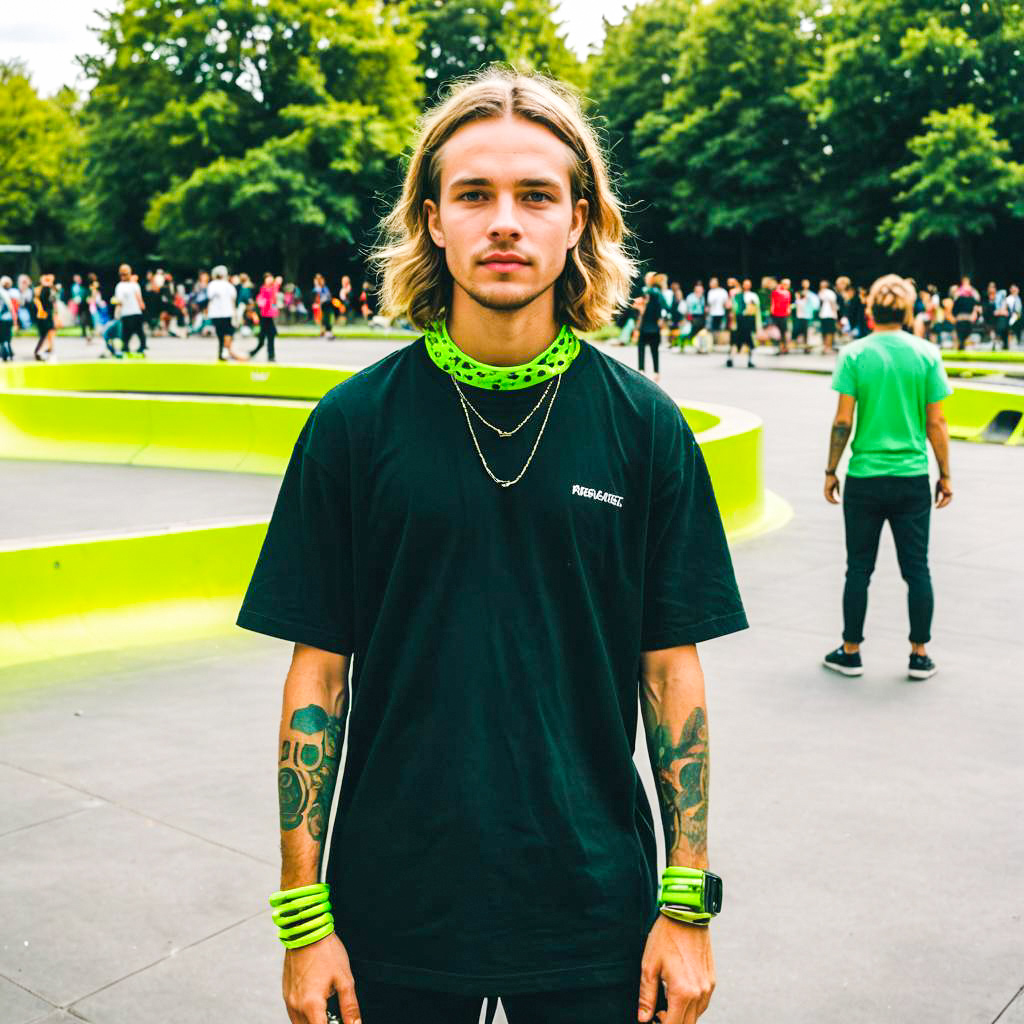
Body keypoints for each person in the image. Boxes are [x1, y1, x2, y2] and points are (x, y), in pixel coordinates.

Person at [235, 66, 746, 1024]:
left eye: (535, 195)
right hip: (396, 912)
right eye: (474, 195)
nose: (504, 221)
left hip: (596, 914)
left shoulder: (646, 428)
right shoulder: (352, 427)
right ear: (433, 219)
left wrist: (687, 905)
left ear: (579, 219)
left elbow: (670, 675)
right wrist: (305, 922)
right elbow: (319, 678)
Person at [822, 274, 953, 682]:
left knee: (858, 568)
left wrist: (831, 469)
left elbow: (844, 420)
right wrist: (945, 474)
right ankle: (919, 654)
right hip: (912, 476)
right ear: (909, 311)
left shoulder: (855, 354)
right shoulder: (926, 354)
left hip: (864, 477)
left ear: (869, 310)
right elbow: (937, 422)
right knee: (917, 569)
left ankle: (850, 651)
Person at [208, 264, 246, 361]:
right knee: (228, 333)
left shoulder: (212, 285)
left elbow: (210, 298)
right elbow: (233, 299)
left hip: (215, 314)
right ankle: (226, 350)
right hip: (227, 313)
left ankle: (222, 352)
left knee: (220, 334)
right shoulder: (228, 286)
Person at [636, 270, 666, 381]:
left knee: (642, 348)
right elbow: (664, 308)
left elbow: (639, 309)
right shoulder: (658, 293)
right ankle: (656, 372)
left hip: (646, 325)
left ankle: (641, 370)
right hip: (653, 326)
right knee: (654, 350)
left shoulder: (647, 292)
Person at [112, 264, 147, 357]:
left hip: (135, 311)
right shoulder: (120, 286)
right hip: (126, 312)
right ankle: (126, 348)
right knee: (127, 332)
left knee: (138, 331)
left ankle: (141, 347)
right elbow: (119, 301)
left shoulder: (134, 285)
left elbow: (139, 298)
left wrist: (141, 305)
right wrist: (117, 312)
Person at [726, 278, 758, 368]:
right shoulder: (738, 296)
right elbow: (732, 310)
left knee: (750, 344)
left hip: (748, 323)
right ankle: (730, 359)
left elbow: (756, 311)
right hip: (739, 322)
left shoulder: (753, 296)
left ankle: (750, 361)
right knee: (735, 343)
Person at [251, 272, 280, 361]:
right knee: (265, 336)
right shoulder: (264, 289)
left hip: (270, 315)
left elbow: (274, 294)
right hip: (265, 316)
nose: (270, 280)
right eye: (268, 278)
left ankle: (270, 355)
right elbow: (262, 301)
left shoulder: (272, 288)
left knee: (270, 335)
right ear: (264, 280)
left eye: (271, 278)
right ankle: (259, 353)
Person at [33, 273, 57, 361]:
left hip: (45, 314)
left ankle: (49, 349)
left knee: (48, 332)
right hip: (45, 314)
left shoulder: (44, 289)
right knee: (45, 333)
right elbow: (46, 302)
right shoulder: (45, 289)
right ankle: (40, 351)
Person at [792, 279, 818, 352]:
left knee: (807, 332)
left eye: (807, 283)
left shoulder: (811, 295)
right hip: (799, 316)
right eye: (804, 283)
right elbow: (796, 304)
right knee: (797, 331)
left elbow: (815, 306)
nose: (805, 285)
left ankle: (806, 347)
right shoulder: (798, 293)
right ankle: (798, 345)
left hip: (807, 316)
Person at [952, 281, 978, 351]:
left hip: (967, 322)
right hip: (961, 322)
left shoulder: (972, 299)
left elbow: (977, 300)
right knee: (960, 341)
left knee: (966, 341)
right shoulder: (959, 299)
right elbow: (954, 311)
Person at [769, 277, 792, 354]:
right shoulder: (776, 292)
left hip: (784, 315)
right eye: (785, 284)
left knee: (784, 332)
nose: (787, 285)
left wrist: (788, 310)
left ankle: (784, 347)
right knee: (777, 333)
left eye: (788, 284)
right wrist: (772, 310)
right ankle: (778, 348)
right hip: (776, 314)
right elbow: (773, 302)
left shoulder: (788, 293)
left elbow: (788, 303)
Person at [818, 279, 838, 354]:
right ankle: (827, 347)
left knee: (827, 332)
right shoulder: (824, 292)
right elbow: (831, 303)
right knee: (827, 332)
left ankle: (827, 347)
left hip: (826, 315)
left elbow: (831, 303)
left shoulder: (826, 293)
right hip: (826, 315)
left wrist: (834, 313)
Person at [0, 274, 16, 361]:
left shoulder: (4, 292)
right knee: (6, 337)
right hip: (6, 317)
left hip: (3, 318)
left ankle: (6, 354)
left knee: (4, 337)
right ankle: (7, 353)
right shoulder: (8, 292)